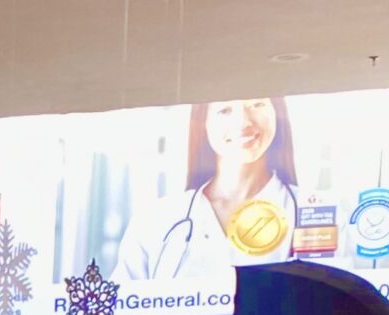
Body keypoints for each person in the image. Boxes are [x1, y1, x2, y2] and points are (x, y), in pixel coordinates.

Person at [118, 97, 320, 280]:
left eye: (257, 104)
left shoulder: (318, 213)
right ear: (202, 123)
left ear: (277, 112)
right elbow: (116, 311)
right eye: (224, 110)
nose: (244, 122)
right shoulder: (156, 220)